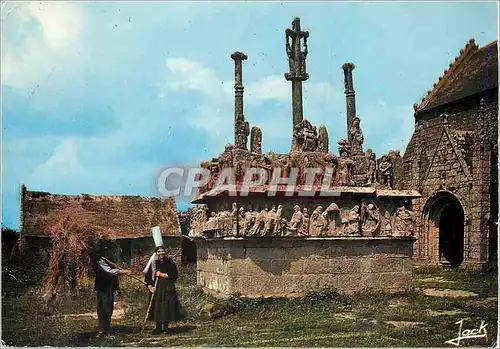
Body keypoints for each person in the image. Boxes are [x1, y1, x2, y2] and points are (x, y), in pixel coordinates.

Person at [91, 240, 133, 337]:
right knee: (103, 309)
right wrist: (124, 271)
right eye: (106, 250)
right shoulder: (100, 260)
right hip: (103, 287)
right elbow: (109, 272)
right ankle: (102, 330)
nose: (109, 252)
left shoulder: (107, 260)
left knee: (109, 309)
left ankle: (107, 329)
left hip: (110, 287)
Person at [143, 246, 185, 334]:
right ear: (156, 253)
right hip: (156, 288)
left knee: (166, 307)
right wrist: (150, 286)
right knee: (157, 307)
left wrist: (161, 274)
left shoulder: (169, 262)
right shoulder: (154, 263)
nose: (161, 253)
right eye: (159, 251)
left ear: (165, 252)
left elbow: (174, 275)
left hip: (167, 288)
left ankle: (166, 328)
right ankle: (158, 328)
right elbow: (147, 277)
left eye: (162, 251)